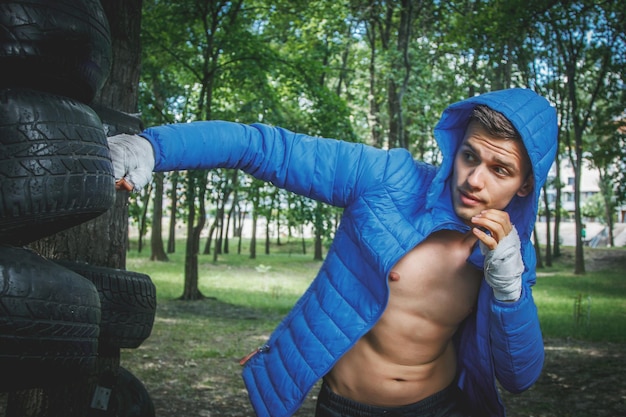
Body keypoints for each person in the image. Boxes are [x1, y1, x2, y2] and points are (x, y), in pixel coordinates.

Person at [108, 88, 557, 417]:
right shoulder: (390, 178)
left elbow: (519, 378)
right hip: (345, 407)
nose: (475, 179)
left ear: (525, 185)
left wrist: (508, 288)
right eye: (470, 157)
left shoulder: (511, 256)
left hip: (439, 407)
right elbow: (264, 148)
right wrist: (153, 146)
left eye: (500, 169)